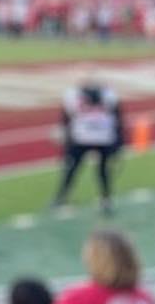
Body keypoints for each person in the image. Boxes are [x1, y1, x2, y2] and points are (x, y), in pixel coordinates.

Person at [51, 81, 125, 214]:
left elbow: (118, 119)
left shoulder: (108, 96)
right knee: (73, 169)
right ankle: (62, 197)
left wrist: (119, 143)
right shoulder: (74, 96)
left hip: (101, 138)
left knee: (101, 171)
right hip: (83, 138)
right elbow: (67, 119)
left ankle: (105, 198)